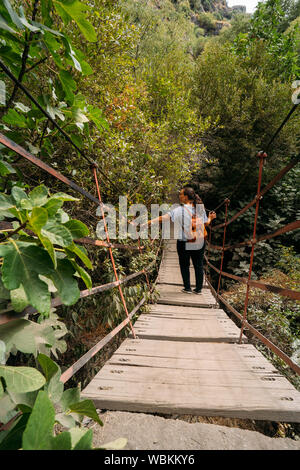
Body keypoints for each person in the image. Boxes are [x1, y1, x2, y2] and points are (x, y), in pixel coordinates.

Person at [144, 187, 216, 294]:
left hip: (184, 241)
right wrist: (210, 218)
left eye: (181, 194)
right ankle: (198, 289)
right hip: (199, 241)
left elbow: (163, 218)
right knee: (198, 264)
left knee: (184, 265)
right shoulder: (200, 208)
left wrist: (147, 222)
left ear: (186, 197)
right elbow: (205, 223)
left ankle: (187, 288)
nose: (179, 196)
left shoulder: (179, 210)